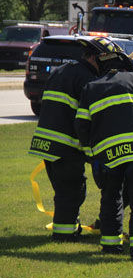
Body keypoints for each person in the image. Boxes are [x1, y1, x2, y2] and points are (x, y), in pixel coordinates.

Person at [75, 37, 133, 263]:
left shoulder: (91, 88)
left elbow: (81, 125)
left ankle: (110, 247)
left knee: (110, 199)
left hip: (107, 157)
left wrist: (91, 153)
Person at [28, 45, 99, 241]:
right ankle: (65, 235)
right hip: (66, 144)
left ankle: (69, 228)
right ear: (93, 58)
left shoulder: (62, 71)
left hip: (46, 141)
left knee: (64, 190)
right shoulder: (87, 78)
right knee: (72, 190)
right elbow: (87, 117)